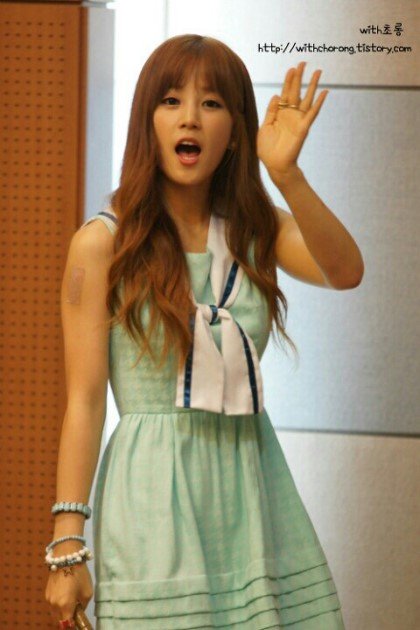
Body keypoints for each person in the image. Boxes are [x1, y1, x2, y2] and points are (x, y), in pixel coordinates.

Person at [45, 33, 363, 629]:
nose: (190, 117)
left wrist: (286, 174)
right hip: (152, 499)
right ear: (148, 122)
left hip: (253, 487)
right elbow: (84, 402)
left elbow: (346, 272)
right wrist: (68, 545)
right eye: (170, 100)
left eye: (212, 103)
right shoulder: (101, 243)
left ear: (236, 130)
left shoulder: (255, 229)